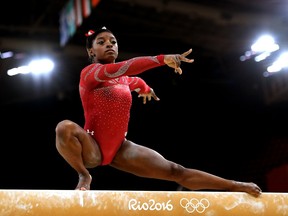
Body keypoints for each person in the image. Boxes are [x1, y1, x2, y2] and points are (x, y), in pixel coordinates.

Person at [55, 26, 262, 197]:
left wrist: (146, 90)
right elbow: (126, 68)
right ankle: (84, 175)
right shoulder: (90, 73)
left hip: (120, 149)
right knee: (64, 127)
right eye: (101, 42)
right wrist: (162, 59)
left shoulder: (124, 80)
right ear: (91, 52)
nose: (109, 44)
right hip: (92, 148)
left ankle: (235, 185)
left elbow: (135, 81)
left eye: (113, 41)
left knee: (175, 170)